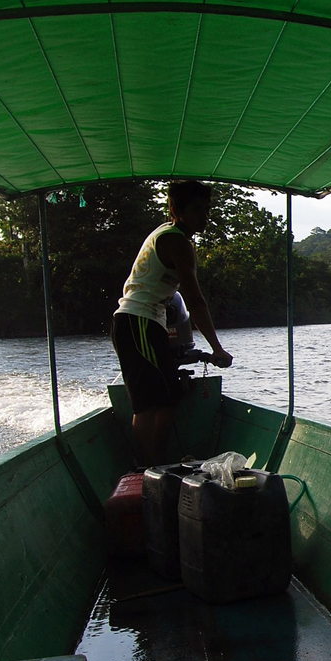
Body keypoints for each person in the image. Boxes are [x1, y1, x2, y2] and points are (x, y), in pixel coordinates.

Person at [112, 181, 233, 467]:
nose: (204, 217)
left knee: (165, 399)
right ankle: (151, 468)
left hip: (144, 322)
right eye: (196, 210)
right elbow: (194, 299)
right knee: (152, 403)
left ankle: (156, 464)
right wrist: (217, 348)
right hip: (138, 321)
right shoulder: (176, 240)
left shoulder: (170, 233)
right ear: (175, 210)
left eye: (207, 210)